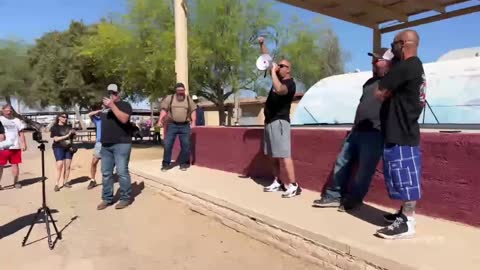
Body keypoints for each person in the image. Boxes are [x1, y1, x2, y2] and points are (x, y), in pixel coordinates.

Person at [313, 48, 393, 210]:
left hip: (375, 134)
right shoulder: (369, 83)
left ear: (388, 62)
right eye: (373, 60)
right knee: (341, 163)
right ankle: (333, 196)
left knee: (364, 170)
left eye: (377, 60)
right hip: (356, 131)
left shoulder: (392, 83)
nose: (373, 63)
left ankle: (354, 199)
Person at [373, 29, 426, 239]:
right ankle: (404, 214)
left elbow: (379, 93)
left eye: (394, 44)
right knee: (402, 176)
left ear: (403, 44)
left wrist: (387, 67)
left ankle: (407, 222)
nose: (392, 48)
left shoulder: (406, 66)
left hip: (402, 131)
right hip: (403, 129)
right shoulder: (415, 66)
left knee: (406, 178)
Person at [258, 37, 301, 198]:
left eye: (282, 66)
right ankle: (278, 181)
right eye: (279, 65)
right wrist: (262, 45)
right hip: (269, 122)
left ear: (288, 70)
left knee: (284, 154)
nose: (278, 67)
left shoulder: (290, 84)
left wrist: (272, 73)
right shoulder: (278, 77)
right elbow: (267, 60)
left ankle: (293, 185)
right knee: (272, 154)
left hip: (280, 122)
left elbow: (280, 89)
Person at [97, 84, 134, 210]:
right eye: (109, 93)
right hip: (106, 145)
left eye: (114, 93)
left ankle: (125, 198)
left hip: (121, 144)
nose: (111, 95)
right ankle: (107, 198)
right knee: (106, 173)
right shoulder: (104, 108)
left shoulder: (125, 105)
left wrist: (112, 106)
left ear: (119, 94)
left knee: (122, 172)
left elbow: (124, 120)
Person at [157, 83, 197, 171]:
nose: (180, 92)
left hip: (185, 126)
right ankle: (166, 164)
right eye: (179, 91)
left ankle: (183, 164)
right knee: (167, 145)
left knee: (186, 146)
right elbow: (164, 110)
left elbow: (193, 110)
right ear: (176, 91)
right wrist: (160, 120)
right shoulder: (170, 98)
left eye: (182, 90)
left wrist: (193, 122)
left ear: (184, 90)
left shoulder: (187, 98)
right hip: (172, 125)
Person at [0, 104, 27, 190]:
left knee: (15, 165)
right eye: (7, 110)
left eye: (10, 110)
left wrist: (23, 143)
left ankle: (16, 182)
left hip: (15, 146)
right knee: (0, 166)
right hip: (2, 147)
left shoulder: (17, 120)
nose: (9, 112)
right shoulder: (0, 119)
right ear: (2, 111)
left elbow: (21, 133)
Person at [50, 113, 76, 191]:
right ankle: (57, 184)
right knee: (60, 165)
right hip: (58, 147)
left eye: (66, 117)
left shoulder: (69, 127)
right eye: (64, 117)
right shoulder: (54, 127)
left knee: (67, 166)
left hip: (68, 148)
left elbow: (73, 137)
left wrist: (74, 134)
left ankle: (65, 182)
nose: (65, 118)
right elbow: (56, 139)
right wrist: (67, 135)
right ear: (59, 118)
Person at [87, 107, 103, 190]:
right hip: (99, 144)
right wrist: (99, 111)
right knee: (94, 162)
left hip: (109, 143)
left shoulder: (110, 120)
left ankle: (107, 181)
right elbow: (89, 114)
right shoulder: (98, 120)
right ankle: (93, 180)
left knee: (107, 164)